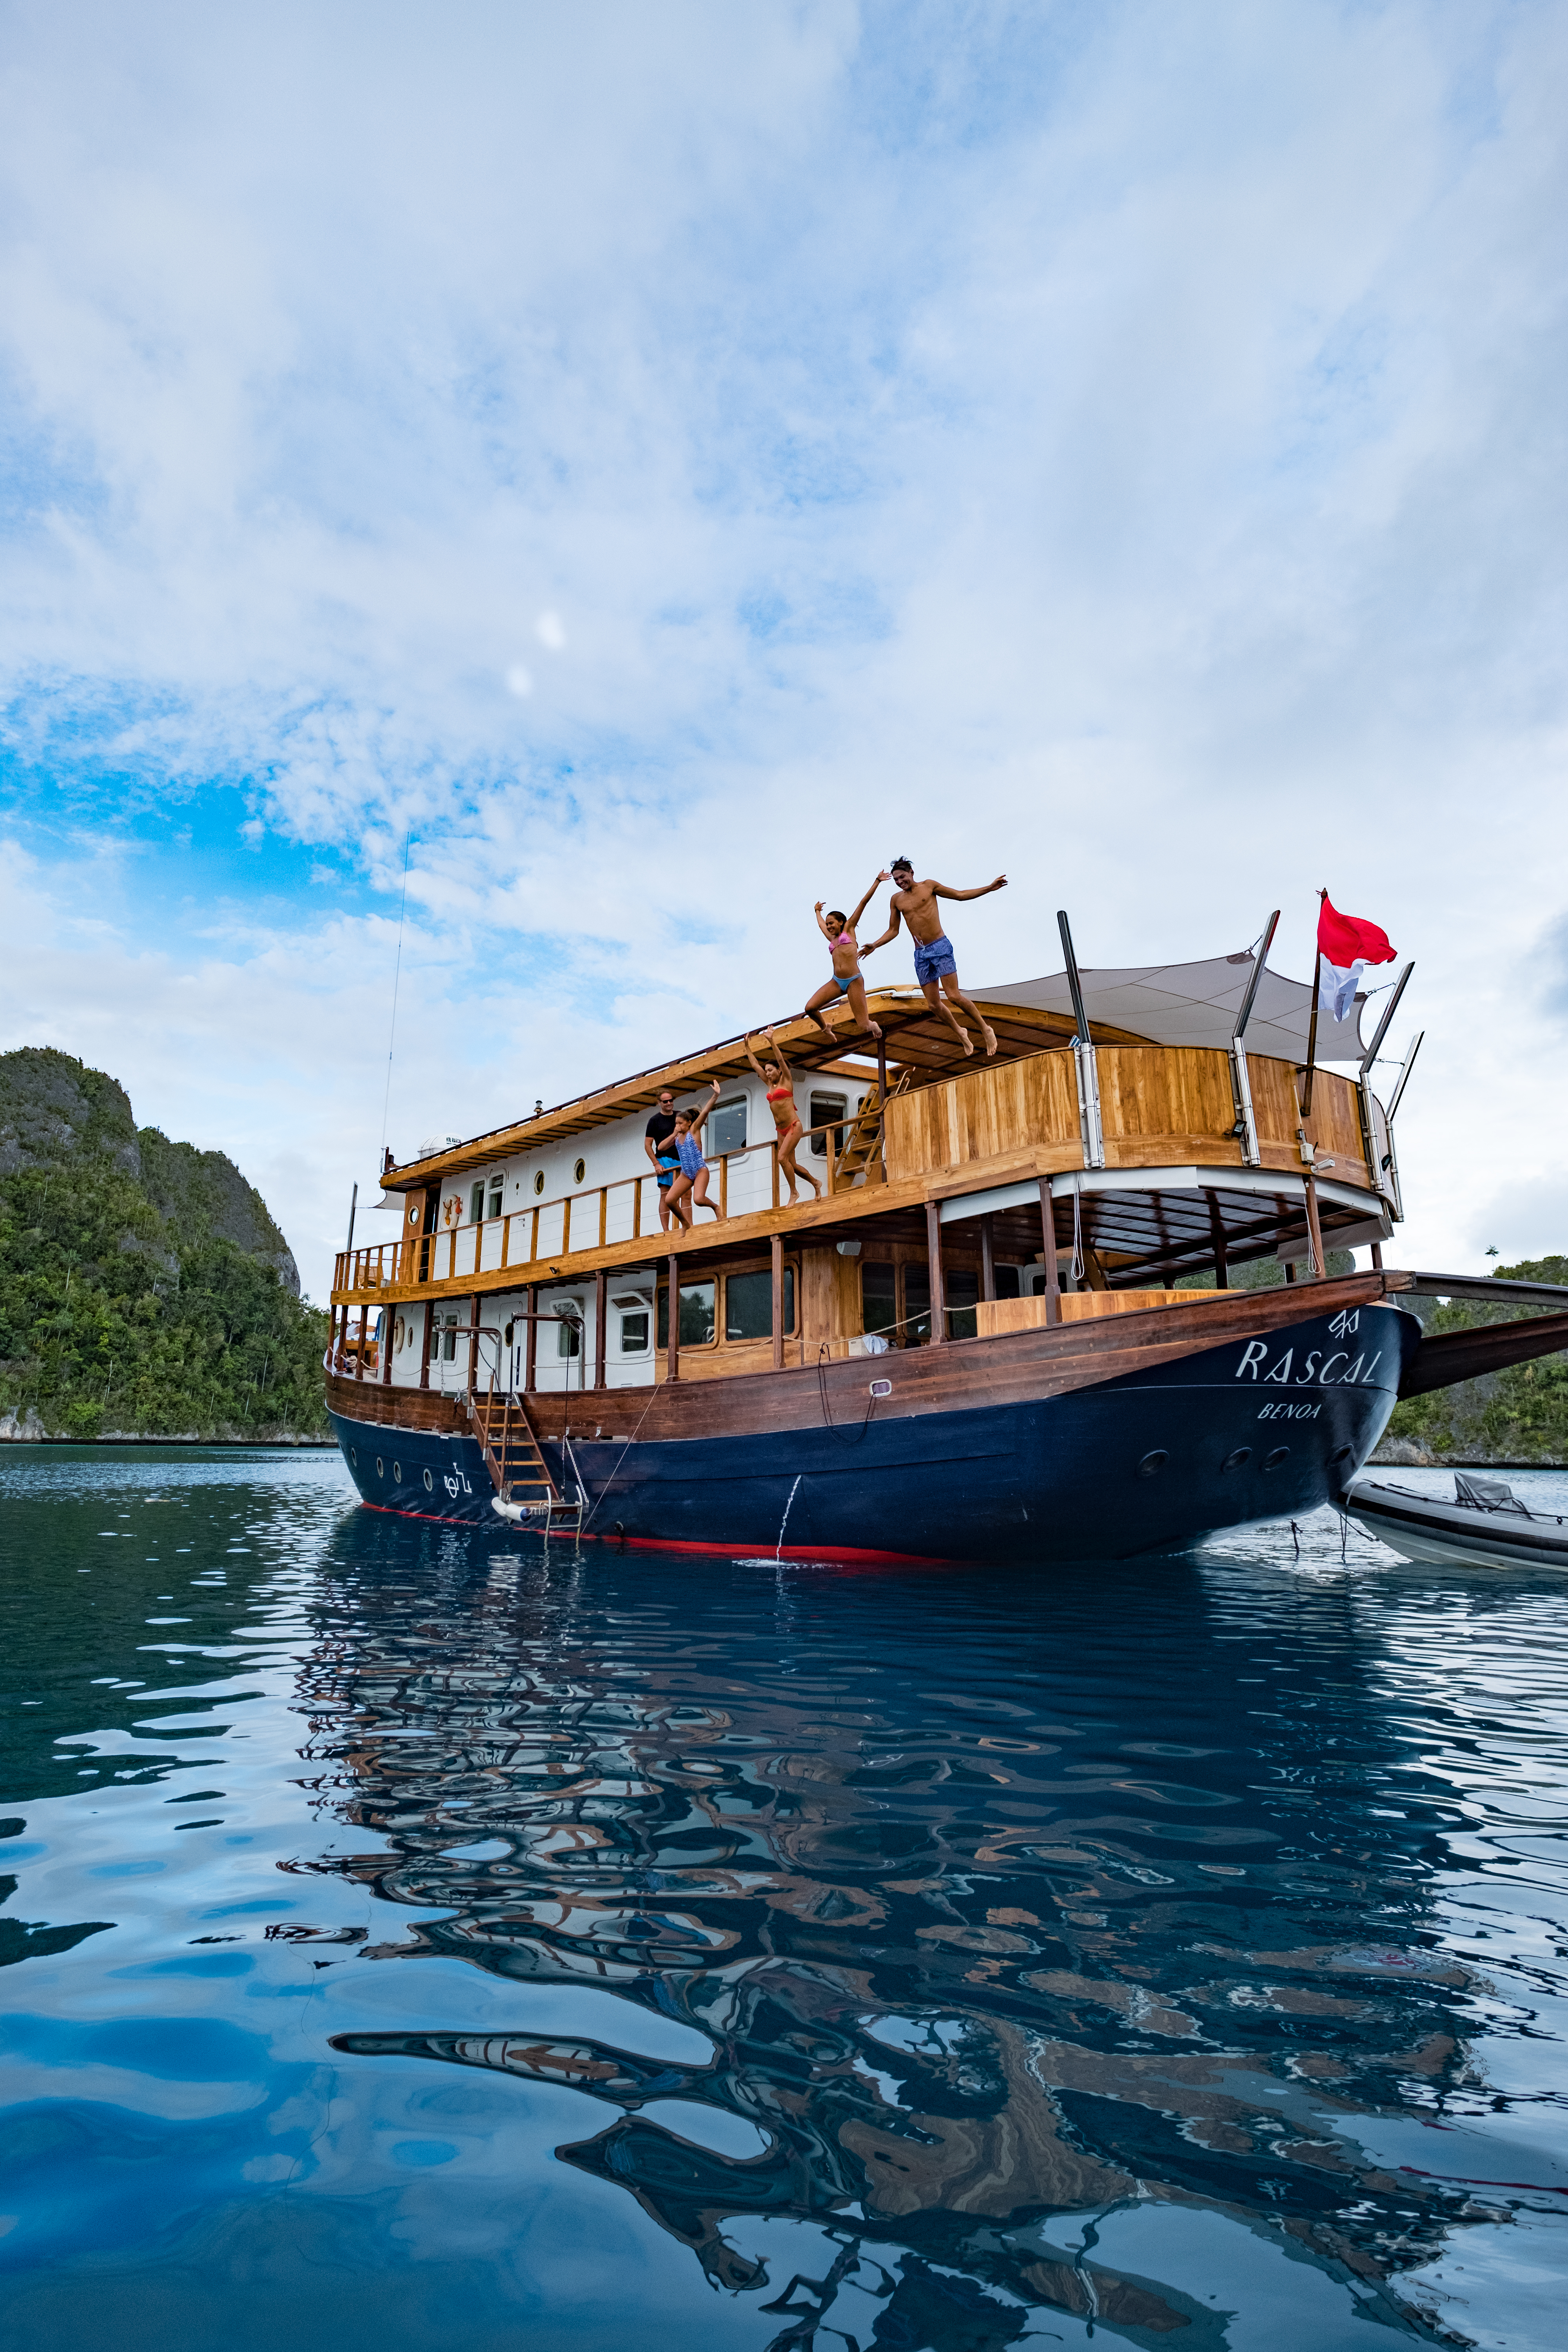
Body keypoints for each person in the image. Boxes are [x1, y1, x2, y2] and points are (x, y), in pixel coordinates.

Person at [861, 857, 1007, 1057]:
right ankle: (960, 1032)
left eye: (902, 877)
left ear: (911, 873)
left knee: (954, 996)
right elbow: (893, 930)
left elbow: (960, 895)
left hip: (939, 947)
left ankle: (985, 1028)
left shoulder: (929, 886)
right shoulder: (897, 900)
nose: (899, 882)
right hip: (921, 954)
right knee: (933, 1005)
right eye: (896, 880)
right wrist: (875, 945)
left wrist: (989, 888)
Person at [743, 1027, 822, 1204]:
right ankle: (816, 1183)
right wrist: (747, 1047)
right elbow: (755, 1066)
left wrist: (771, 1041)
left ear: (779, 1070)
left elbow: (780, 1059)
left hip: (794, 1126)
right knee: (791, 1165)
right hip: (781, 1130)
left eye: (771, 1070)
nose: (768, 1073)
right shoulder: (769, 1084)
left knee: (781, 1159)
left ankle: (794, 1193)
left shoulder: (786, 1080)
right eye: (767, 1071)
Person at [804, 876, 886, 1045]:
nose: (828, 927)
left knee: (864, 1025)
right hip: (836, 982)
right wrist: (817, 911)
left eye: (832, 923)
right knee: (810, 1008)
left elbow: (863, 903)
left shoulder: (849, 931)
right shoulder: (832, 939)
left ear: (841, 922)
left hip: (854, 981)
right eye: (828, 925)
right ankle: (825, 1027)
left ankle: (874, 1026)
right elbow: (820, 925)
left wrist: (877, 881)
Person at [666, 1080, 724, 1223]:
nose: (678, 1126)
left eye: (680, 1123)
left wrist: (715, 1096)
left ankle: (716, 1207)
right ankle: (685, 1224)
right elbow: (661, 1148)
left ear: (689, 1123)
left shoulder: (694, 1130)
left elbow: (704, 1112)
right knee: (670, 1200)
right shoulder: (678, 1136)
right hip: (686, 1174)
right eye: (676, 1124)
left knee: (698, 1199)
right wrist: (673, 1134)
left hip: (699, 1170)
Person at [644, 1087, 689, 1232]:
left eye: (671, 1100)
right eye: (665, 1101)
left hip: (682, 1158)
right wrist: (656, 1164)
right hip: (664, 1160)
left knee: (686, 1193)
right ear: (659, 1103)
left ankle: (687, 1225)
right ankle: (666, 1230)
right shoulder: (654, 1121)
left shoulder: (679, 1116)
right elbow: (648, 1145)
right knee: (666, 1193)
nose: (669, 1103)